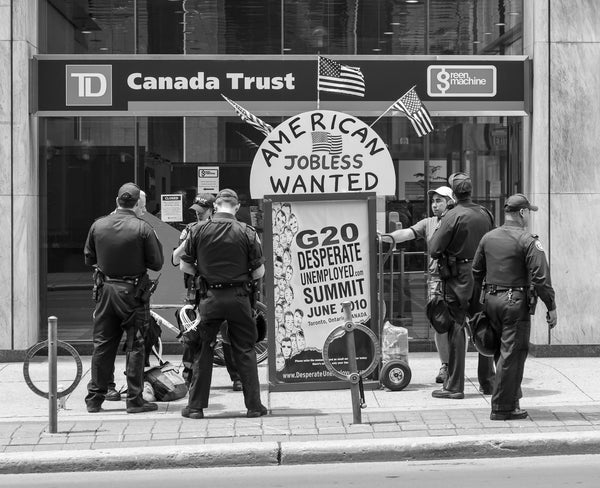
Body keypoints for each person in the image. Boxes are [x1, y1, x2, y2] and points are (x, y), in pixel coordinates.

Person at [179, 188, 267, 419]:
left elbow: (184, 266)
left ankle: (195, 407)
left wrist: (205, 273)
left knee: (202, 350)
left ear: (216, 206)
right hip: (239, 298)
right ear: (236, 207)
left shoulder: (197, 230)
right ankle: (254, 407)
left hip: (210, 297)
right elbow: (259, 271)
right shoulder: (247, 232)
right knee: (245, 350)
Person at [472, 193, 557, 420]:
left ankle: (512, 398)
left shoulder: (488, 238)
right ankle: (503, 407)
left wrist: (479, 302)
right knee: (513, 354)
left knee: (502, 353)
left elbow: (476, 271)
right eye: (528, 211)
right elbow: (541, 278)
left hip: (491, 300)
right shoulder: (528, 241)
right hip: (514, 303)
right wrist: (551, 306)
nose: (529, 216)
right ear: (521, 213)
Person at [83, 183, 164, 414]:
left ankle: (94, 399)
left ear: (117, 200)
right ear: (137, 203)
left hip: (106, 290)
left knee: (102, 344)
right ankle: (135, 399)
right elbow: (156, 263)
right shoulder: (143, 228)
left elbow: (89, 259)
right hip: (132, 294)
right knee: (135, 345)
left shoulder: (98, 225)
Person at [428, 173, 495, 399]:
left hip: (458, 278)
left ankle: (455, 386)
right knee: (482, 324)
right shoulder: (485, 213)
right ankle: (488, 382)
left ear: (454, 194)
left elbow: (434, 249)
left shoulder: (451, 215)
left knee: (456, 328)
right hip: (482, 275)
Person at [174, 193, 243, 392]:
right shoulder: (190, 230)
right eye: (195, 212)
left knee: (229, 333)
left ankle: (236, 377)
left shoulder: (224, 228)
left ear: (213, 209)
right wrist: (189, 242)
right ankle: (190, 378)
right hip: (197, 289)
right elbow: (175, 259)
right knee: (193, 335)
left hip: (217, 288)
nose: (197, 215)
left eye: (201, 212)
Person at [390, 186, 454, 384]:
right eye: (433, 201)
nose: (434, 205)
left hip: (458, 279)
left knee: (459, 325)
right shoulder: (428, 222)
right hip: (436, 279)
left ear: (450, 202)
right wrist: (386, 237)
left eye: (439, 201)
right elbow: (408, 233)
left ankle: (457, 365)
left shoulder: (458, 220)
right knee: (439, 325)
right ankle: (446, 365)